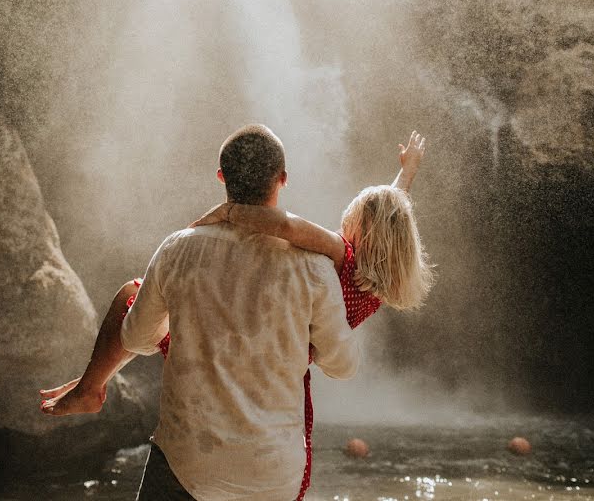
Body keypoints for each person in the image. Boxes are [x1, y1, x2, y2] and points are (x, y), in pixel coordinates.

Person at [40, 127, 434, 500]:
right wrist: (406, 174)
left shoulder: (179, 249)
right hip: (274, 471)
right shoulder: (335, 271)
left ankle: (90, 386)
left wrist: (223, 216)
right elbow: (382, 223)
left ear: (221, 176)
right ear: (283, 179)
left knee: (133, 294)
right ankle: (92, 385)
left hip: (189, 465)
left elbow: (139, 338)